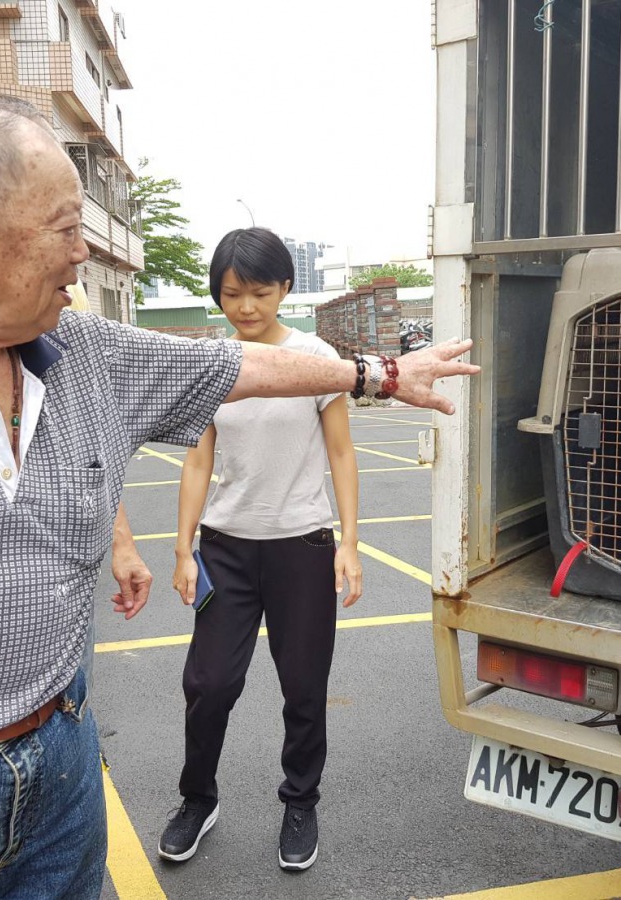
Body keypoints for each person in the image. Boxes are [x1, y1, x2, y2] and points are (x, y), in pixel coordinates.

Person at [0, 93, 477, 900]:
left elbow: (243, 367)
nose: (85, 254)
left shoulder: (81, 350)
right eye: (66, 226)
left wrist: (380, 374)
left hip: (62, 765)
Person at [158, 228, 361, 872]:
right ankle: (198, 798)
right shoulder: (214, 364)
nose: (245, 307)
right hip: (227, 549)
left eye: (260, 292)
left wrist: (349, 543)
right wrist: (183, 548)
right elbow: (197, 461)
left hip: (302, 546)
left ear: (285, 290)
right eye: (231, 294)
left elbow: (341, 452)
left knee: (304, 687)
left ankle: (300, 803)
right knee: (209, 683)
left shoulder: (315, 357)